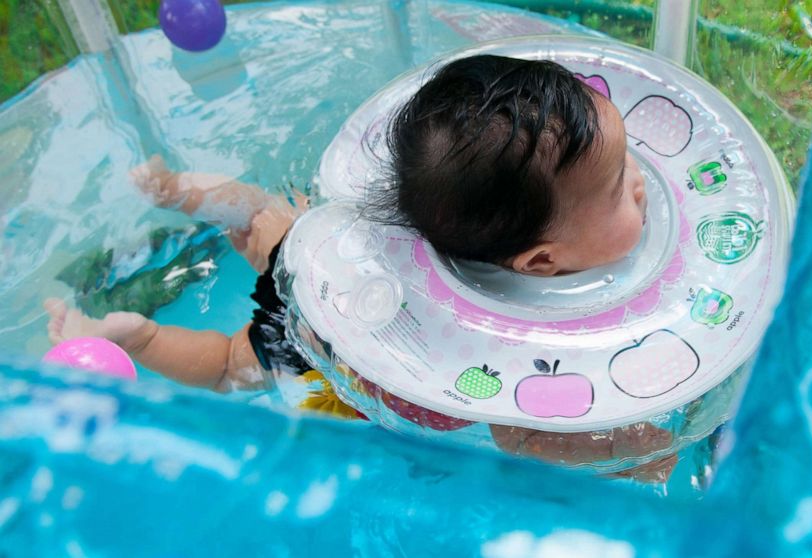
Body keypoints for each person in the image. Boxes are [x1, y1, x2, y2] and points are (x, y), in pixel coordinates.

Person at [46, 55, 676, 480]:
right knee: (227, 366)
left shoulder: (435, 209)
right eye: (620, 185)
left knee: (271, 225)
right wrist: (656, 452)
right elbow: (538, 441)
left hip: (327, 285)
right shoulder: (512, 361)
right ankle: (145, 336)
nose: (644, 184)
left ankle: (180, 201)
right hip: (327, 355)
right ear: (541, 262)